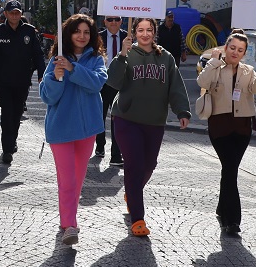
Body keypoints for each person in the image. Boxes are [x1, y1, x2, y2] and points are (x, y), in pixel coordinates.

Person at [107, 17, 191, 237]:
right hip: (126, 119)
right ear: (134, 32)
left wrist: (182, 110)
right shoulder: (127, 54)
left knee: (149, 165)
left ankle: (132, 192)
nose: (145, 34)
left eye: (149, 30)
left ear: (155, 32)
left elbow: (176, 87)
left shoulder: (166, 58)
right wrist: (122, 55)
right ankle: (138, 218)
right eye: (140, 30)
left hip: (154, 121)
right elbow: (113, 82)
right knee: (134, 165)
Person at [39, 13, 107, 246]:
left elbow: (96, 84)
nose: (82, 36)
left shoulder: (97, 59)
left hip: (87, 129)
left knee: (77, 180)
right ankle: (70, 224)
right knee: (67, 179)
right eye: (77, 31)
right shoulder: (56, 60)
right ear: (69, 34)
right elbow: (48, 97)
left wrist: (73, 69)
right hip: (61, 129)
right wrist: (57, 78)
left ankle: (67, 219)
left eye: (86, 32)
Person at [196, 30, 256, 236]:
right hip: (219, 125)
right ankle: (233, 220)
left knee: (230, 170)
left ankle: (222, 210)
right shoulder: (216, 66)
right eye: (232, 48)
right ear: (225, 47)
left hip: (242, 127)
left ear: (245, 53)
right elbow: (202, 82)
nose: (235, 52)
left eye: (240, 50)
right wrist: (214, 62)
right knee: (230, 169)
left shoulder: (248, 70)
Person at [0, 0, 44, 164]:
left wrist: (42, 74)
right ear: (5, 14)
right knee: (7, 114)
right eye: (11, 13)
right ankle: (7, 149)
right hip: (3, 82)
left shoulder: (29, 31)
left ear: (21, 14)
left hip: (22, 81)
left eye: (17, 12)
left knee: (17, 114)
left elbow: (38, 54)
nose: (14, 15)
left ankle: (13, 140)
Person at [96, 16, 127, 164]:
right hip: (101, 82)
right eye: (110, 19)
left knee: (118, 120)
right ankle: (100, 145)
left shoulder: (127, 38)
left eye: (117, 19)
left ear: (121, 21)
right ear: (105, 22)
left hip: (120, 84)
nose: (113, 22)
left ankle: (116, 155)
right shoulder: (98, 37)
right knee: (99, 117)